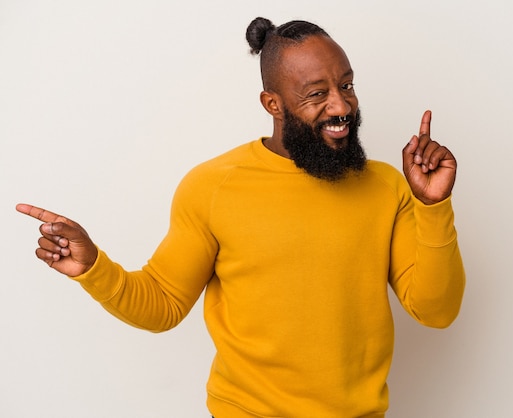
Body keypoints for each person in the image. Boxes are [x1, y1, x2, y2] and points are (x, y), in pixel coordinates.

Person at [16, 17, 465, 418]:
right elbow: (163, 304)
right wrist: (94, 268)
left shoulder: (386, 186)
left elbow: (436, 311)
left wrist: (433, 206)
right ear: (272, 104)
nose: (342, 106)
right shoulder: (213, 187)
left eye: (346, 85)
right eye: (316, 94)